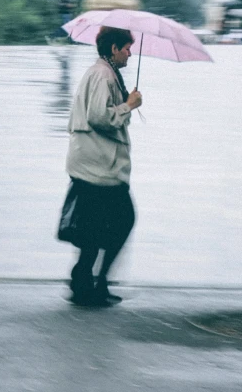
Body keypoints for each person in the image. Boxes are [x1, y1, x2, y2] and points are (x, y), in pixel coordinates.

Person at [62, 26, 142, 306]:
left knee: (94, 227)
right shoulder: (102, 74)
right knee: (123, 220)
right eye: (127, 48)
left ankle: (86, 283)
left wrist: (126, 103)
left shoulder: (106, 73)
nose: (130, 53)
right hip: (98, 168)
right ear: (113, 49)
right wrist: (128, 105)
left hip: (95, 164)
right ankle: (94, 282)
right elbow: (99, 117)